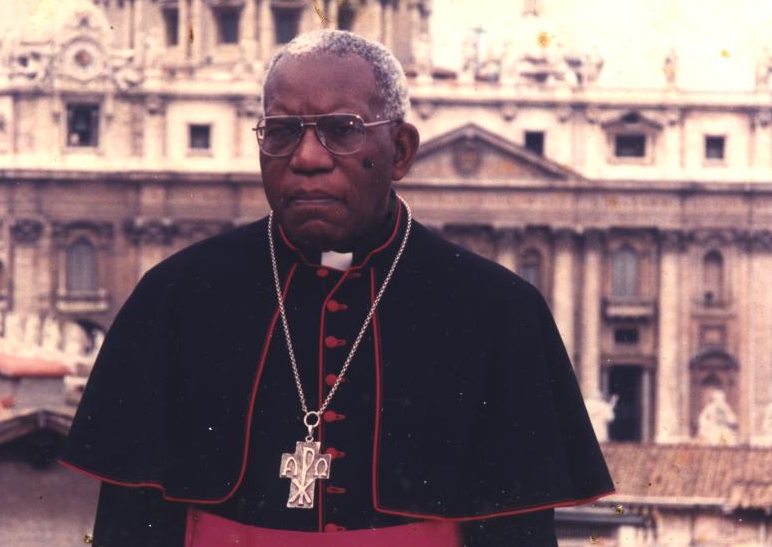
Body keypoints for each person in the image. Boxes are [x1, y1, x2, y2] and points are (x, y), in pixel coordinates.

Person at [60, 30, 614, 546]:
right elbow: (127, 530)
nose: (306, 159)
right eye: (280, 132)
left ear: (400, 151)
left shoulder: (500, 313)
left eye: (341, 129)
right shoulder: (174, 298)